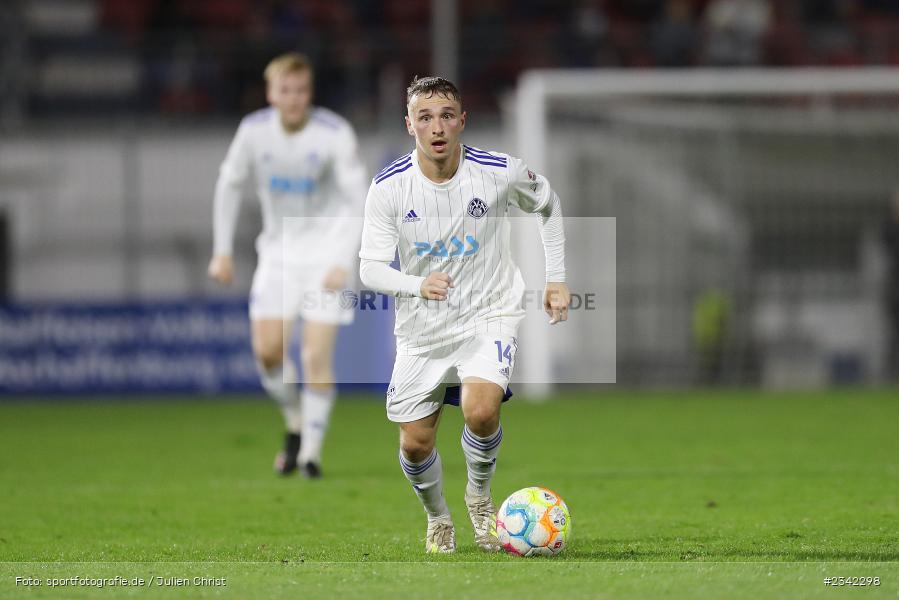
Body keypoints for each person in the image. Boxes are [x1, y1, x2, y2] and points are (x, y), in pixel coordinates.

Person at [358, 76, 570, 553]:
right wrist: (417, 284)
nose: (437, 127)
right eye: (426, 117)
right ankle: (438, 518)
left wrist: (555, 278)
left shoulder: (498, 172)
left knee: (481, 409)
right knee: (414, 443)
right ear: (409, 124)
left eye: (447, 116)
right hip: (421, 329)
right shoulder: (389, 188)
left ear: (462, 122)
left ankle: (478, 496)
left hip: (488, 312)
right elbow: (369, 267)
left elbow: (548, 204)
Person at [208, 53, 367, 478]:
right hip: (277, 255)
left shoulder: (334, 133)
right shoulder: (254, 131)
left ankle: (311, 454)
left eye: (301, 90)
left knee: (315, 353)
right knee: (268, 353)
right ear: (271, 93)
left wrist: (342, 259)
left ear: (309, 93)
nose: (294, 99)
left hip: (326, 256)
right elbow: (229, 184)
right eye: (285, 90)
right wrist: (221, 250)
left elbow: (357, 199)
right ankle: (295, 425)